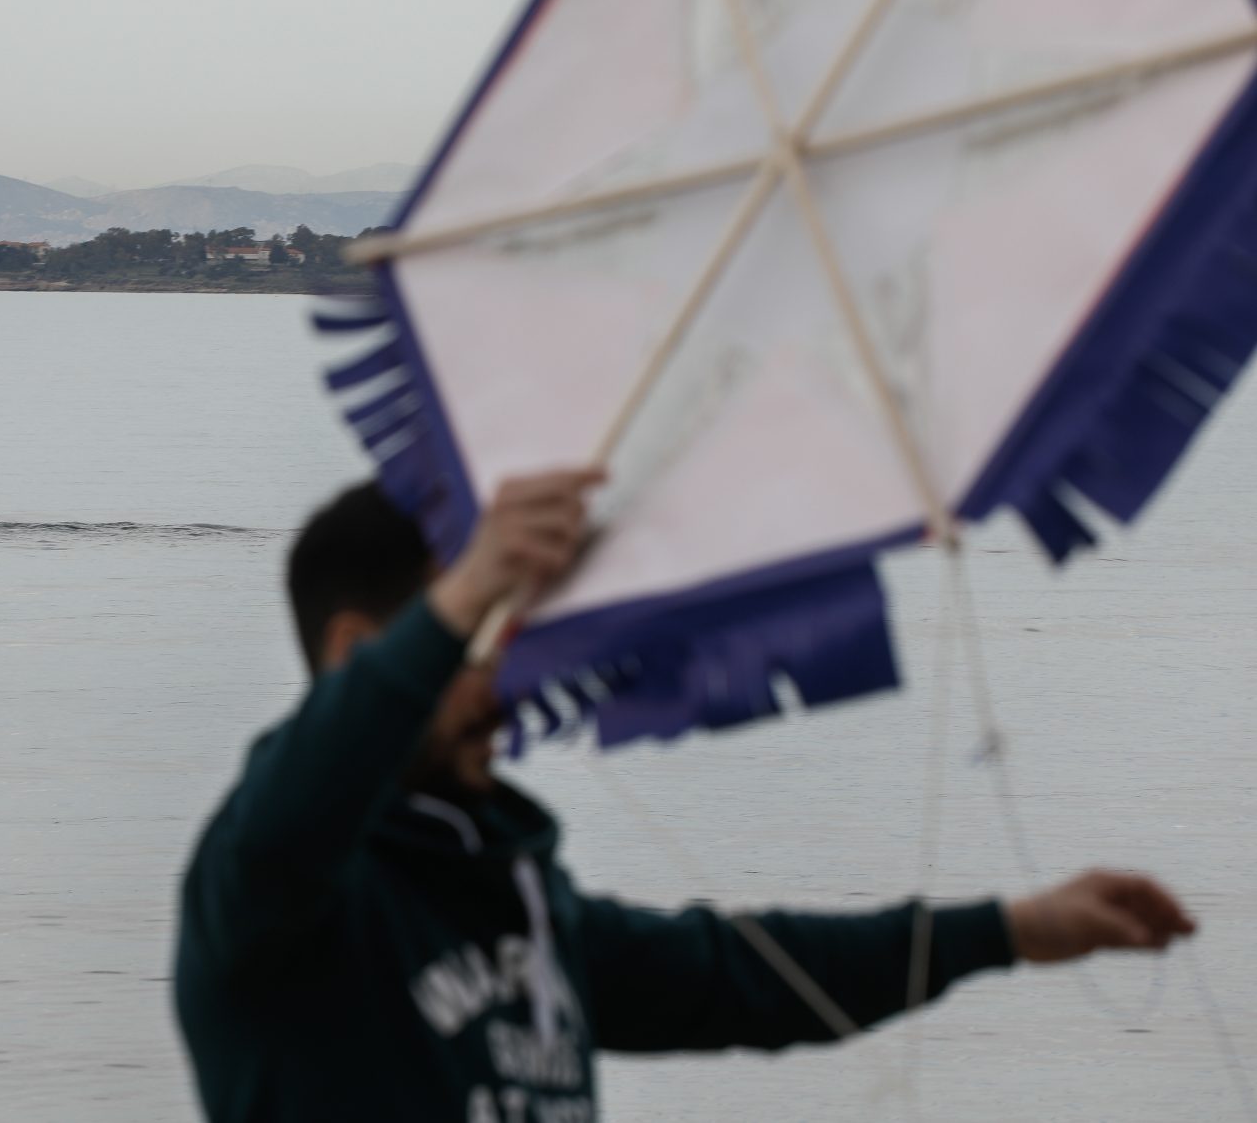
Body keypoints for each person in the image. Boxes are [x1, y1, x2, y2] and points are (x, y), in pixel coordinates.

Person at [174, 470, 1195, 1123]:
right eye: (489, 639)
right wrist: (461, 591)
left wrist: (1011, 928)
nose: (515, 684)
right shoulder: (267, 900)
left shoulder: (519, 891)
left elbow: (744, 977)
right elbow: (295, 805)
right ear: (364, 651)